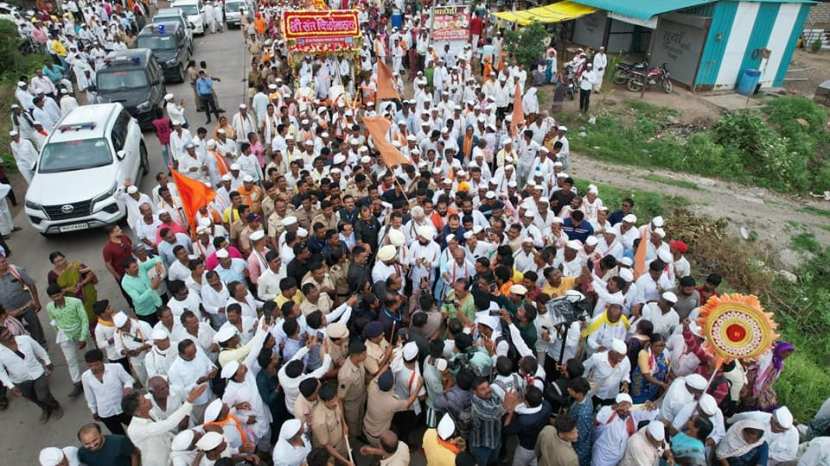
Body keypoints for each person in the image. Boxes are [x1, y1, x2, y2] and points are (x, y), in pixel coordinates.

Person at [123, 383, 208, 465]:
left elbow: (165, 433)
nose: (149, 400)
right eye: (145, 401)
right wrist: (189, 401)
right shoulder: (136, 429)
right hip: (159, 462)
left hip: (170, 452)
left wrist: (179, 440)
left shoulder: (150, 413)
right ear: (138, 412)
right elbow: (168, 424)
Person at [0, 326, 62, 422]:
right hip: (20, 381)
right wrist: (10, 386)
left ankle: (55, 406)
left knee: (43, 396)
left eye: (8, 332)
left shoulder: (25, 339)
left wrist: (47, 361)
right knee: (33, 398)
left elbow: (39, 350)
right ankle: (45, 409)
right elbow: (1, 372)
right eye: (5, 336)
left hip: (37, 373)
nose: (9, 335)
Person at [45, 284, 88, 398]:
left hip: (80, 333)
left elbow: (84, 319)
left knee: (89, 356)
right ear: (50, 297)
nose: (57, 298)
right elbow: (53, 321)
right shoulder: (49, 307)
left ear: (62, 292)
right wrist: (59, 333)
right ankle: (77, 383)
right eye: (54, 297)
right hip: (64, 336)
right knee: (70, 360)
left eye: (58, 295)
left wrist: (83, 337)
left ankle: (96, 374)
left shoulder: (75, 302)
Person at [80, 349, 135, 435]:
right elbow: (89, 395)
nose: (94, 368)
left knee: (135, 430)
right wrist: (94, 411)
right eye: (90, 366)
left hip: (123, 408)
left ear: (102, 361)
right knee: (119, 436)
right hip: (106, 413)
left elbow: (129, 380)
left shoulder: (116, 367)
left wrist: (128, 387)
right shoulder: (85, 376)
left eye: (96, 364)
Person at [47, 251, 98, 335]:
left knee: (93, 313)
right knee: (81, 316)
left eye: (62, 259)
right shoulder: (52, 275)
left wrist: (82, 283)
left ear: (64, 258)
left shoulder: (76, 266)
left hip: (87, 294)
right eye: (57, 262)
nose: (61, 263)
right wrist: (68, 289)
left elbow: (90, 274)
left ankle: (97, 330)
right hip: (71, 300)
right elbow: (54, 291)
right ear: (53, 263)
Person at [0, 254, 46, 346]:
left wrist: (36, 301)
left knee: (35, 326)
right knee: (16, 330)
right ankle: (26, 346)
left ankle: (41, 344)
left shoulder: (16, 270)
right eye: (1, 262)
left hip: (27, 306)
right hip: (9, 312)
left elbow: (31, 284)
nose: (4, 263)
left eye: (4, 261)